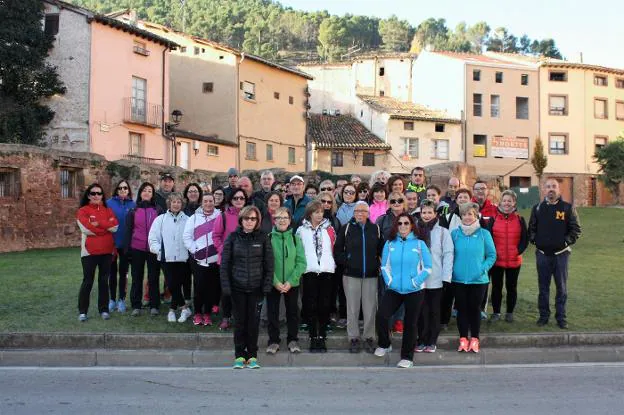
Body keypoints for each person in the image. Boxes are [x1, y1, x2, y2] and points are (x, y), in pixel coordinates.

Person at [374, 213, 432, 368]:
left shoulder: (419, 244)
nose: (403, 226)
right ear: (396, 226)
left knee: (410, 323)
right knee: (381, 316)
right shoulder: (390, 243)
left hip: (414, 290)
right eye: (400, 223)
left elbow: (428, 267)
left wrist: (415, 282)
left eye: (406, 223)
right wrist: (390, 281)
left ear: (412, 225)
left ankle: (407, 357)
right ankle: (385, 344)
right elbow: (384, 266)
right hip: (394, 289)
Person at [221, 205, 274, 369]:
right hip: (237, 288)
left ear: (257, 221)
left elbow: (269, 265)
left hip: (256, 289)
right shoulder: (233, 237)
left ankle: (252, 356)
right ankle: (239, 355)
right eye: (246, 218)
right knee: (240, 323)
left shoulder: (263, 238)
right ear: (241, 220)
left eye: (253, 219)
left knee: (253, 323)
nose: (249, 221)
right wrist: (226, 287)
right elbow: (225, 264)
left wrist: (266, 285)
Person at [529, 178, 581, 329]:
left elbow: (576, 229)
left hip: (561, 255)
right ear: (544, 189)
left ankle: (561, 318)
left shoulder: (567, 208)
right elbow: (532, 228)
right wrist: (535, 241)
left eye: (554, 186)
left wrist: (565, 242)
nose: (551, 189)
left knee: (562, 288)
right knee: (543, 288)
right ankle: (543, 316)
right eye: (548, 187)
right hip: (542, 255)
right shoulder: (537, 208)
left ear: (559, 190)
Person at [334, 201, 383, 354]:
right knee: (352, 308)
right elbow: (337, 250)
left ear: (368, 213)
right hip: (351, 274)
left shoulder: (375, 229)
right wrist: (347, 261)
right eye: (357, 211)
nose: (360, 213)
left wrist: (377, 264)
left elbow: (381, 249)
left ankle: (369, 337)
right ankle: (353, 337)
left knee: (370, 308)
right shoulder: (347, 228)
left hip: (371, 275)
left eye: (363, 211)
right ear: (353, 213)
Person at [452, 202, 497, 354]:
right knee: (462, 310)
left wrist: (482, 269)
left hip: (478, 280)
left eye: (470, 214)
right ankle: (463, 339)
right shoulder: (455, 234)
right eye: (464, 214)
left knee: (474, 309)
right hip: (458, 280)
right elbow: (449, 255)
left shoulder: (484, 234)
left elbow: (492, 255)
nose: (467, 217)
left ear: (476, 215)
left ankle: (475, 339)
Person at [296, 200, 337, 352]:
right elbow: (299, 250)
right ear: (309, 213)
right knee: (310, 304)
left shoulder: (330, 228)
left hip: (326, 270)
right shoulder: (301, 230)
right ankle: (313, 336)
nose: (319, 215)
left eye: (321, 212)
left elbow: (334, 246)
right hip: (309, 270)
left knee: (324, 304)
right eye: (316, 212)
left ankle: (322, 336)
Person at [266, 207, 307, 354]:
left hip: (292, 283)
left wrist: (291, 281)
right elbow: (266, 263)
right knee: (273, 313)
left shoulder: (296, 239)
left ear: (290, 220)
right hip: (273, 283)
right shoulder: (269, 238)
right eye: (278, 217)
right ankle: (273, 341)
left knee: (292, 312)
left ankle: (292, 340)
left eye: (285, 217)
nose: (282, 220)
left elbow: (301, 262)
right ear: (274, 220)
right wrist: (275, 282)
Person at [415, 200, 454, 353]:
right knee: (420, 311)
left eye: (429, 212)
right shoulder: (415, 231)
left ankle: (431, 341)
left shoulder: (443, 232)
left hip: (436, 278)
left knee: (434, 311)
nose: (426, 215)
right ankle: (421, 340)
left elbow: (448, 255)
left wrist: (446, 277)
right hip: (418, 279)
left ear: (435, 214)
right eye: (424, 212)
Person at [76, 184, 119, 321]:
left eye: (99, 193)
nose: (96, 196)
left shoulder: (108, 210)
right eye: (93, 193)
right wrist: (105, 227)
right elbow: (86, 229)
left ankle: (104, 310)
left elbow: (115, 227)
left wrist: (98, 223)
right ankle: (83, 312)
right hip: (89, 252)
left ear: (102, 196)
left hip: (106, 251)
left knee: (103, 281)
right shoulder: (83, 210)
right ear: (88, 195)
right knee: (88, 281)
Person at [148, 193, 192, 323]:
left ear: (182, 204)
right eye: (174, 202)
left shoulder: (188, 220)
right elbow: (153, 238)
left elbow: (191, 238)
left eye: (179, 202)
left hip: (183, 259)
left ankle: (172, 310)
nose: (176, 204)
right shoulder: (160, 219)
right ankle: (184, 308)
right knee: (172, 284)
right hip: (166, 258)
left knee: (176, 285)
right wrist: (159, 251)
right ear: (169, 203)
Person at [488, 190, 528, 323]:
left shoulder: (520, 219)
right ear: (500, 202)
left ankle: (509, 312)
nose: (506, 203)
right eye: (504, 200)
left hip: (514, 260)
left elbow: (524, 239)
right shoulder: (494, 219)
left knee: (512, 288)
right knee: (496, 287)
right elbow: (488, 239)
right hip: (497, 261)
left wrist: (518, 251)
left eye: (509, 201)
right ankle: (496, 312)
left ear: (514, 203)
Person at [125, 182, 163, 317]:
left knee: (153, 277)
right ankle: (136, 305)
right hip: (137, 248)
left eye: (150, 191)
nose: (147, 193)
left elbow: (161, 230)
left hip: (153, 249)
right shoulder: (133, 210)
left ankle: (154, 305)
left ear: (152, 195)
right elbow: (129, 231)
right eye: (144, 190)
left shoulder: (158, 210)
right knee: (137, 278)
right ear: (140, 193)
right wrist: (127, 251)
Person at [183, 193, 221, 326]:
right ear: (202, 203)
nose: (208, 203)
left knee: (211, 288)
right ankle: (198, 314)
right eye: (206, 201)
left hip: (215, 260)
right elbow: (187, 237)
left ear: (214, 202)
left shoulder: (220, 216)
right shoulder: (193, 218)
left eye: (211, 201)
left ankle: (207, 314)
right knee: (199, 287)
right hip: (199, 260)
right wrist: (195, 250)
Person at [213, 188, 248, 330]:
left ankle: (240, 317)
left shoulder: (250, 215)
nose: (239, 201)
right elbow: (216, 236)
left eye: (241, 198)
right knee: (227, 291)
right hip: (227, 261)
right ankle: (226, 317)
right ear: (230, 200)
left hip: (245, 261)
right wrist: (224, 251)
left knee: (242, 290)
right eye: (236, 198)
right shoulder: (224, 216)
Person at [106, 179, 135, 313]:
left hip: (126, 245)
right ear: (116, 190)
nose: (122, 190)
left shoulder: (133, 205)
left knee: (123, 273)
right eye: (120, 188)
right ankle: (112, 299)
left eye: (125, 188)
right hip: (111, 244)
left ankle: (121, 300)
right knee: (112, 273)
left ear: (128, 190)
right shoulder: (109, 203)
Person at [318, 191, 345, 328]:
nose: (326, 205)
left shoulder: (335, 220)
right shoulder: (311, 219)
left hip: (331, 262)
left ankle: (330, 314)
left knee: (331, 290)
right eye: (323, 201)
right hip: (315, 262)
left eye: (329, 202)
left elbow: (339, 242)